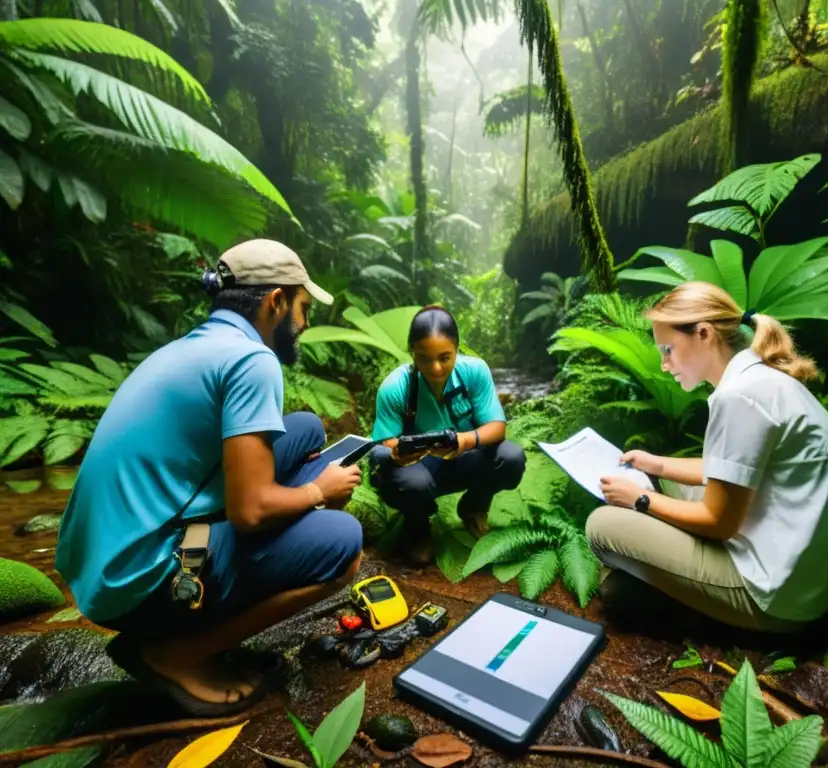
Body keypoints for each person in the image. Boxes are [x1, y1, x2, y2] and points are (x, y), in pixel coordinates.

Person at [55, 239, 365, 717]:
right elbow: (249, 511)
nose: (304, 324)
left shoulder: (192, 347)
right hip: (140, 580)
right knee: (345, 544)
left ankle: (213, 587)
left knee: (305, 429)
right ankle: (175, 654)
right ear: (275, 301)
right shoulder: (252, 361)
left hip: (99, 567)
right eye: (303, 307)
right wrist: (316, 492)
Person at [586, 281, 828, 633]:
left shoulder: (740, 397)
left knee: (601, 528)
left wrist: (641, 500)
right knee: (669, 480)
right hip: (802, 577)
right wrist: (657, 464)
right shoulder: (761, 378)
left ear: (703, 334)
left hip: (774, 595)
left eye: (668, 349)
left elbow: (719, 522)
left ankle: (696, 600)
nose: (664, 364)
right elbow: (733, 472)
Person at [369, 305, 526, 566]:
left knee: (510, 457)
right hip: (414, 469)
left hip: (461, 458)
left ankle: (474, 506)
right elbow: (383, 445)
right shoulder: (396, 387)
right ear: (412, 354)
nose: (436, 368)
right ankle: (417, 526)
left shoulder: (474, 372)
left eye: (445, 357)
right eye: (424, 358)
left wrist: (463, 441)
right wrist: (401, 451)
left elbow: (497, 427)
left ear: (457, 349)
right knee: (414, 483)